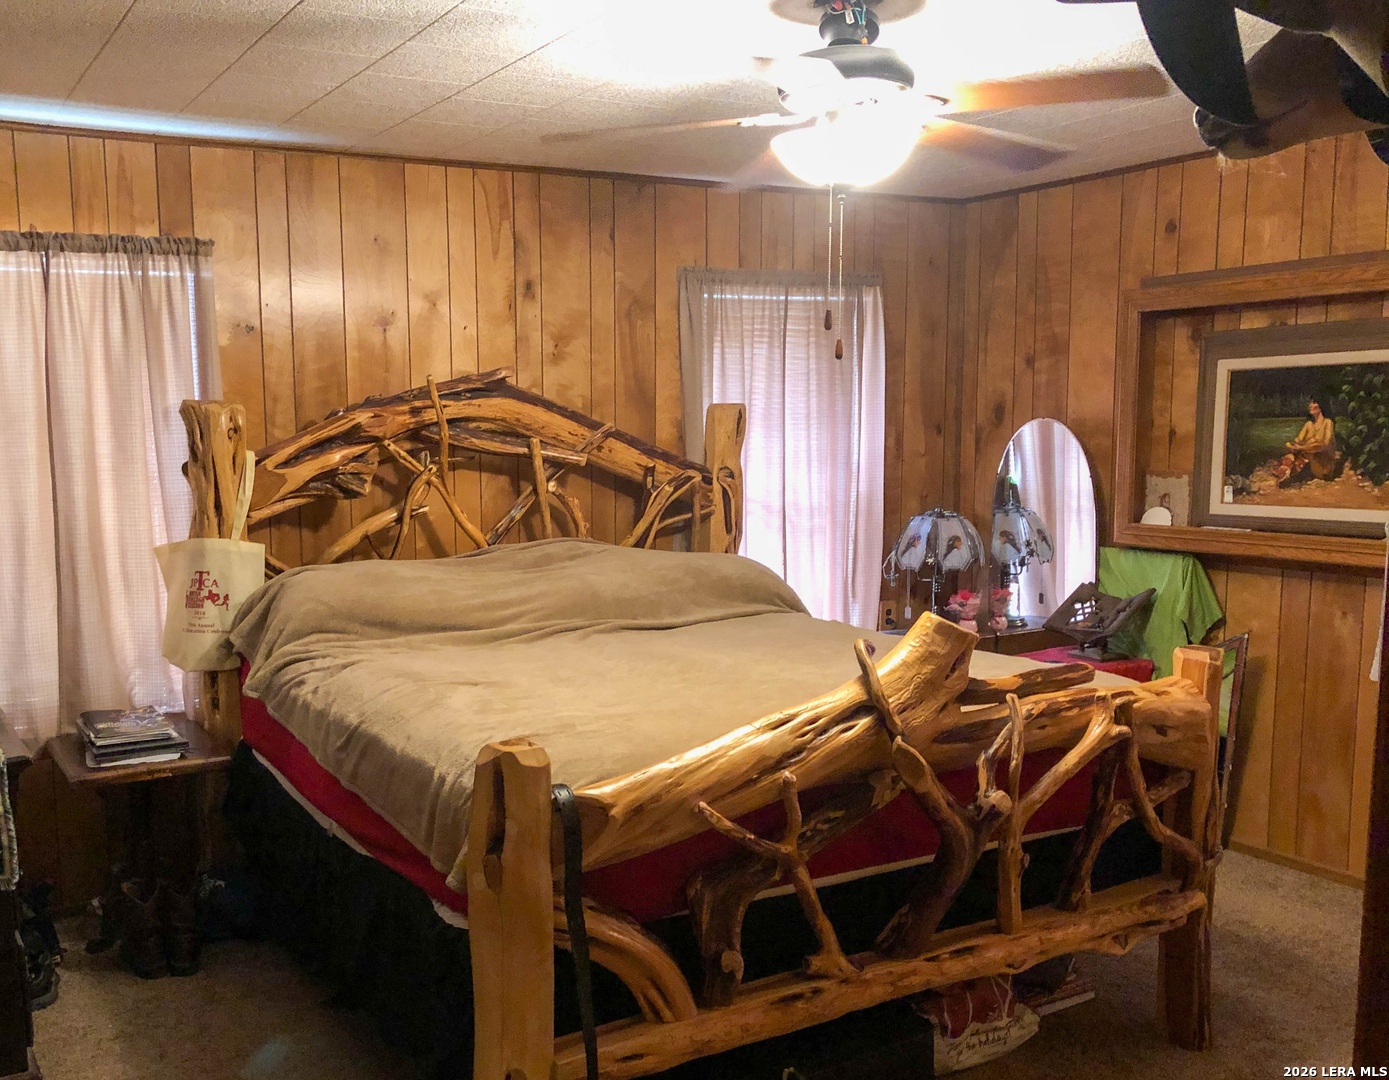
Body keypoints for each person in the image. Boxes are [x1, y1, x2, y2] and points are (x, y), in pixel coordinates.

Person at [1271, 399, 1337, 484]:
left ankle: (1286, 474)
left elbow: (1325, 445)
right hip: (1311, 459)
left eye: (1313, 403)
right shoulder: (1309, 424)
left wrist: (1303, 448)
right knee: (1292, 454)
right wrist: (1291, 445)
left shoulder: (1328, 423)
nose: (1310, 405)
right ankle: (1284, 473)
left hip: (1324, 463)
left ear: (1321, 406)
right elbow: (1298, 440)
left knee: (1308, 447)